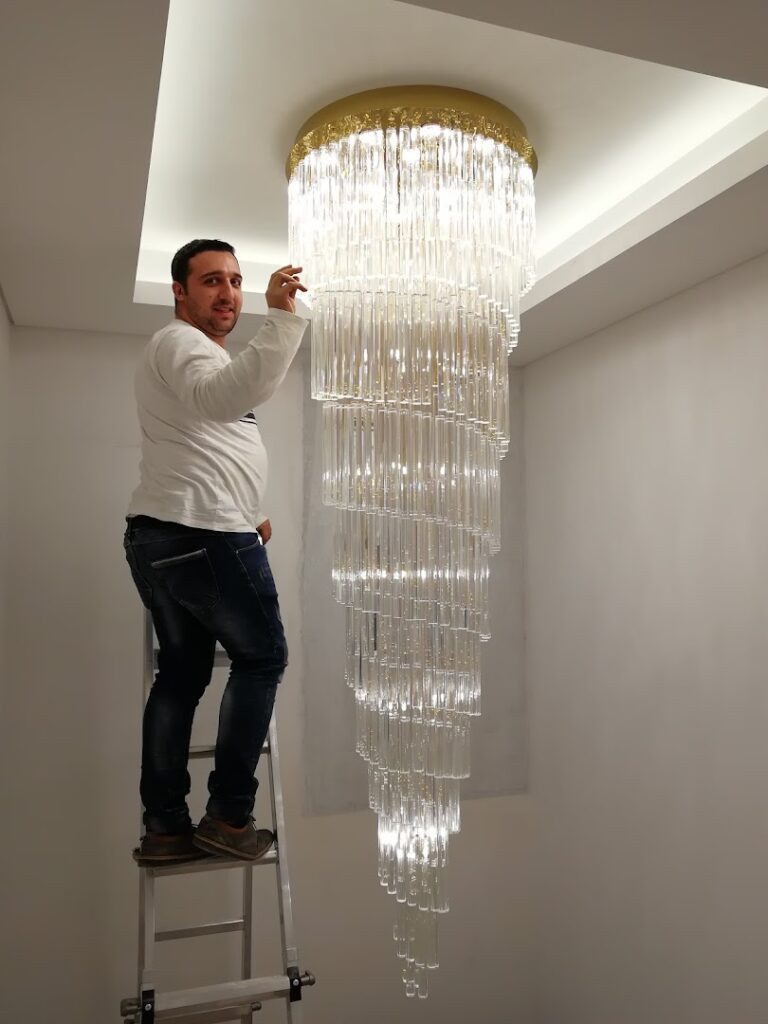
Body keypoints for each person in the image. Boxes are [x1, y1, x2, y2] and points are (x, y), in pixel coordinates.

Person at [123, 238, 307, 864]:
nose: (227, 293)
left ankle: (166, 827)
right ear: (179, 291)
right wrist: (282, 317)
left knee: (182, 672)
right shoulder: (181, 344)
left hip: (170, 532)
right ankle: (229, 817)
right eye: (210, 281)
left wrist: (247, 511)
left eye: (234, 280)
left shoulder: (199, 359)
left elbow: (206, 435)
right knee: (263, 658)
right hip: (200, 535)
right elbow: (223, 400)